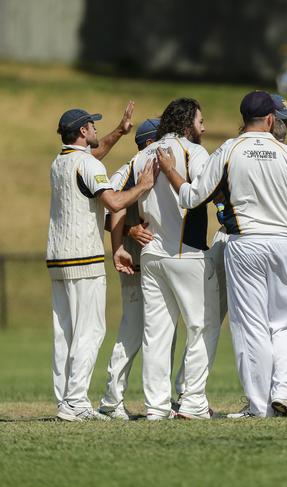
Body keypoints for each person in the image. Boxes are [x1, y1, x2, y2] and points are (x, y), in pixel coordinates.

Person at [156, 91, 287, 418]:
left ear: (244, 120)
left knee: (249, 325)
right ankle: (284, 391)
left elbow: (193, 197)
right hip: (283, 241)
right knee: (286, 322)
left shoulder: (229, 149)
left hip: (244, 243)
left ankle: (259, 405)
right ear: (271, 119)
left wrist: (170, 171)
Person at [47, 107, 155, 421]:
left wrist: (120, 132)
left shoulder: (61, 161)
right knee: (90, 330)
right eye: (92, 126)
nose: (96, 130)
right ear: (83, 132)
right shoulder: (89, 164)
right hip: (84, 257)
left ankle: (65, 400)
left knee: (63, 333)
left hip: (57, 257)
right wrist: (143, 186)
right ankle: (77, 402)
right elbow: (115, 202)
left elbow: (95, 159)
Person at [122, 98, 222, 420]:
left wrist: (131, 226)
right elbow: (205, 193)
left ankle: (156, 408)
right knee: (202, 327)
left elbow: (114, 198)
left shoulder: (141, 156)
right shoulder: (195, 152)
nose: (203, 127)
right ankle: (192, 403)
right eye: (200, 120)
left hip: (151, 254)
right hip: (187, 252)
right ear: (186, 123)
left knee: (156, 335)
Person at [97, 119, 160, 420]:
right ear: (150, 144)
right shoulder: (132, 167)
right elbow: (107, 211)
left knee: (161, 332)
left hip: (159, 261)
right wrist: (130, 229)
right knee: (132, 328)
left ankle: (161, 401)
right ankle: (111, 399)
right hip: (134, 261)